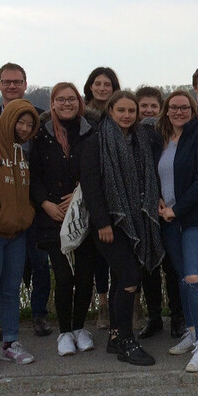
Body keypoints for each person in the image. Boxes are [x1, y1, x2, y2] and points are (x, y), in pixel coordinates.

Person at [80, 91, 163, 366]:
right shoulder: (96, 141)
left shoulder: (142, 139)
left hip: (137, 221)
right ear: (111, 111)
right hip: (109, 225)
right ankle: (127, 341)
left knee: (121, 278)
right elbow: (92, 186)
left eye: (132, 111)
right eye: (121, 110)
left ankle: (116, 336)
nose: (127, 115)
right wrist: (103, 222)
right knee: (129, 276)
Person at [0, 63, 51, 340]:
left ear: (25, 85)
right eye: (6, 81)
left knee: (40, 263)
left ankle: (39, 314)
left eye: (17, 81)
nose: (11, 86)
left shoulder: (39, 122)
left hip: (32, 208)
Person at [29, 83, 98, 357]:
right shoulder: (40, 135)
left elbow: (97, 170)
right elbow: (33, 175)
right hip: (52, 216)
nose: (67, 103)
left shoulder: (90, 132)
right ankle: (64, 332)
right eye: (61, 99)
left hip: (82, 215)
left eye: (72, 99)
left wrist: (81, 194)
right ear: (53, 103)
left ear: (79, 102)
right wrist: (44, 202)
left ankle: (80, 327)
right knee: (64, 276)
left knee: (84, 276)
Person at [157, 90, 198, 372]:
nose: (179, 112)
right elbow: (161, 175)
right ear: (166, 110)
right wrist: (160, 201)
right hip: (170, 220)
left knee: (195, 277)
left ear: (193, 110)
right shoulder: (164, 140)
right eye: (174, 107)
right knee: (183, 278)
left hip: (197, 219)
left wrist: (177, 208)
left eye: (185, 107)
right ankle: (193, 331)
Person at [0, 99, 39, 373]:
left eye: (29, 124)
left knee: (11, 292)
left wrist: (26, 216)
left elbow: (24, 195)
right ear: (7, 121)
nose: (24, 129)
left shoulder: (22, 156)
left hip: (17, 235)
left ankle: (10, 344)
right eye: (20, 122)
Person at [134, 86, 185, 339]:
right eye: (144, 106)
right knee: (148, 267)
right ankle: (154, 318)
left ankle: (178, 317)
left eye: (154, 106)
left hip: (166, 209)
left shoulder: (167, 135)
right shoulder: (131, 135)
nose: (149, 111)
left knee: (172, 267)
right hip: (143, 211)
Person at [83, 66, 121, 330]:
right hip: (90, 189)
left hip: (118, 191)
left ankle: (126, 303)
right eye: (98, 83)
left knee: (121, 251)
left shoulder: (121, 113)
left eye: (107, 84)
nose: (102, 88)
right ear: (90, 86)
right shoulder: (82, 116)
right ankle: (103, 305)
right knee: (96, 256)